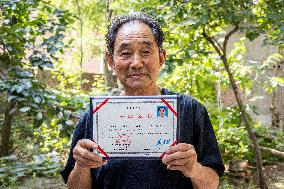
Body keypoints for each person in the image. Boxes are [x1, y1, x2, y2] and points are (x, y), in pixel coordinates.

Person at [61, 12, 224, 189]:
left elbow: (212, 183)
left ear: (162, 57)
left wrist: (194, 169)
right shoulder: (96, 116)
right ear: (111, 60)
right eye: (125, 53)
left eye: (146, 52)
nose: (136, 63)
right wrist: (81, 165)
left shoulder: (190, 111)